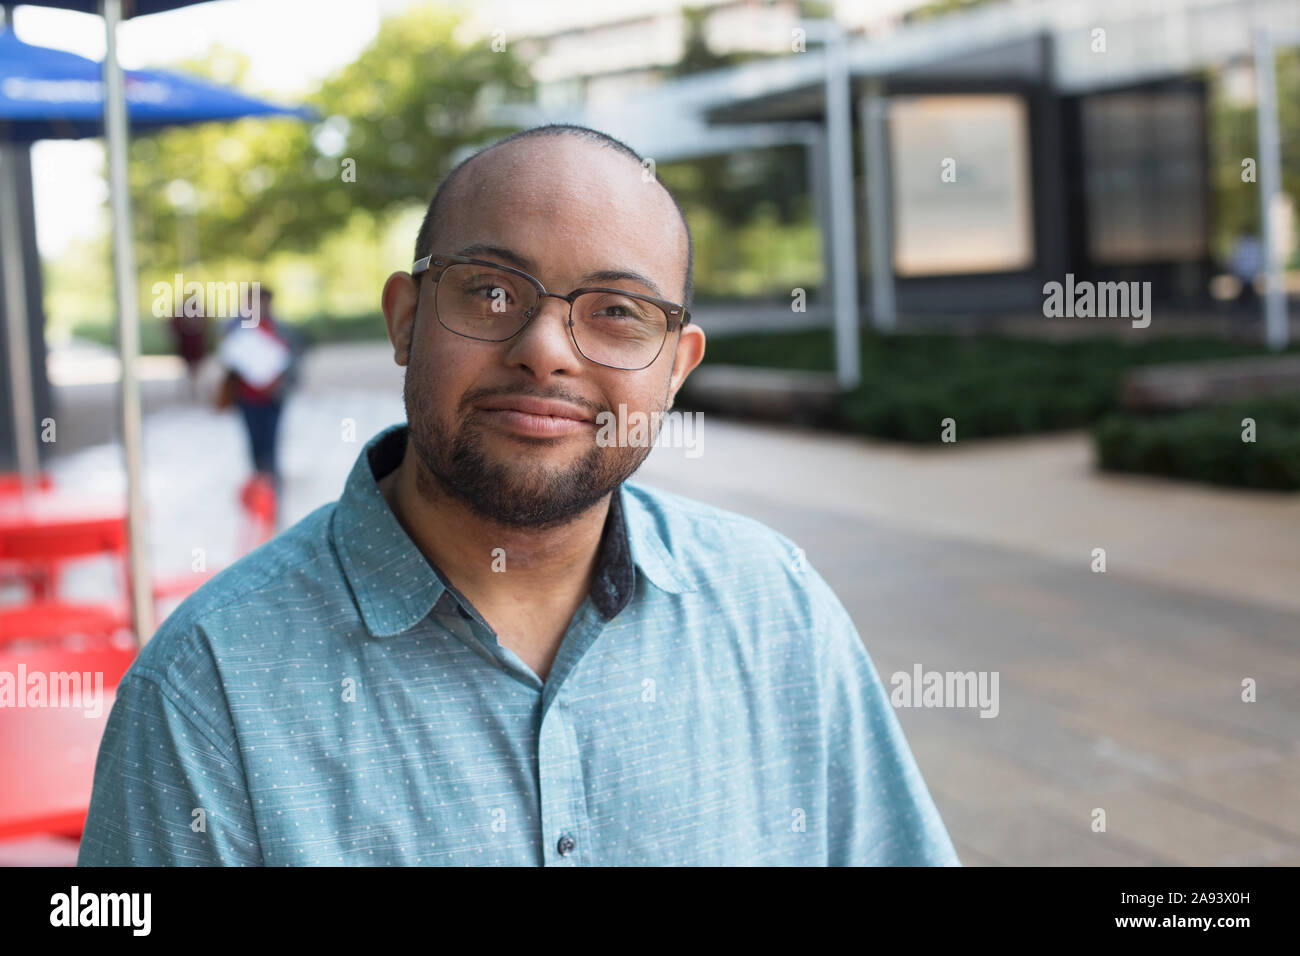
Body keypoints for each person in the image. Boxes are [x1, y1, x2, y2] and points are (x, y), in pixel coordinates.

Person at [79, 124, 960, 866]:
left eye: (617, 310)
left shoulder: (777, 608)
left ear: (677, 367)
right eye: (492, 291)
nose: (547, 349)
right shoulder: (207, 690)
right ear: (405, 319)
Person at [215, 286, 302, 505]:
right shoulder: (237, 326)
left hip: (273, 397)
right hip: (247, 397)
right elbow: (227, 354)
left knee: (271, 440)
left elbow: (293, 359)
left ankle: (271, 482)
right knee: (253, 440)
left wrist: (282, 382)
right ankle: (259, 481)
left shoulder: (280, 328)